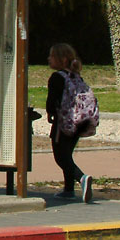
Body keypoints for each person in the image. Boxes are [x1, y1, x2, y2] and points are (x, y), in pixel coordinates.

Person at [45, 43, 94, 203]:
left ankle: (82, 178)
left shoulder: (57, 77)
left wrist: (50, 113)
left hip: (63, 123)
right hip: (80, 122)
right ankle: (68, 190)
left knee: (61, 157)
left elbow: (52, 101)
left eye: (52, 56)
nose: (49, 59)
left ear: (62, 59)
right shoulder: (76, 76)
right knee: (67, 155)